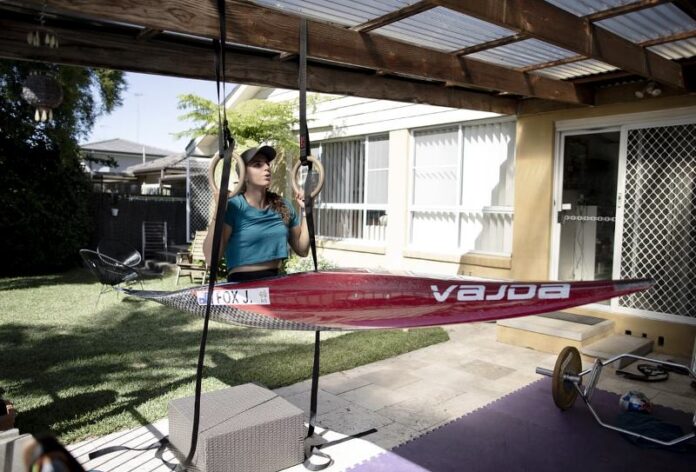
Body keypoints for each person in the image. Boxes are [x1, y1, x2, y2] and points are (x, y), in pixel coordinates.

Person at [203, 145, 309, 282]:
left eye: (267, 163)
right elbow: (210, 258)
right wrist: (219, 210)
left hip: (276, 280)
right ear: (244, 175)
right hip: (242, 283)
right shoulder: (234, 206)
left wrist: (307, 209)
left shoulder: (283, 205)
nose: (267, 168)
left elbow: (302, 250)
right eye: (257, 164)